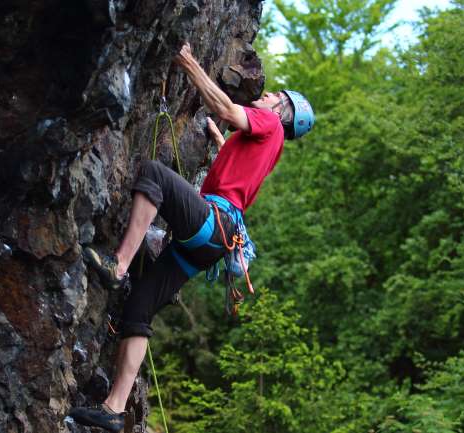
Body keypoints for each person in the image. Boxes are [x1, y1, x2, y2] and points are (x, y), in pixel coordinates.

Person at [68, 43, 314, 432]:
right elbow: (237, 166)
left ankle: (119, 264)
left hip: (214, 223)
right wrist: (220, 139)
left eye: (272, 97)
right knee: (140, 309)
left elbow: (227, 109)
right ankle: (114, 409)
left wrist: (187, 62)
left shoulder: (268, 124)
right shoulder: (269, 147)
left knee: (154, 173)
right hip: (212, 245)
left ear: (283, 112)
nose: (265, 96)